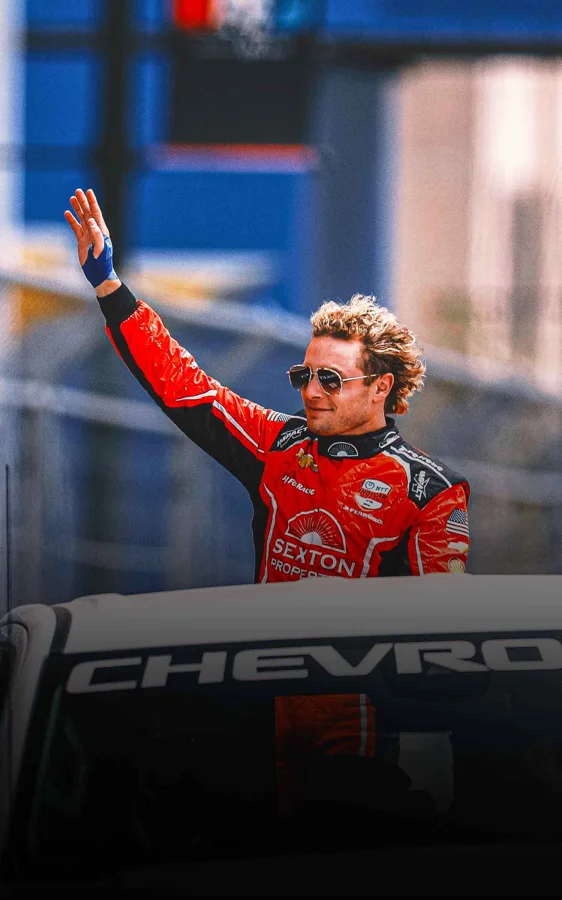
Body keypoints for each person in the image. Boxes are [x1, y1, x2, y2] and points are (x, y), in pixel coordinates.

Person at [65, 188, 470, 813]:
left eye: (330, 379)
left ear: (381, 388)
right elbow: (185, 385)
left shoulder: (430, 492)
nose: (312, 390)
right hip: (258, 716)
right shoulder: (279, 444)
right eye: (304, 375)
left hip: (366, 744)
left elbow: (443, 649)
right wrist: (109, 287)